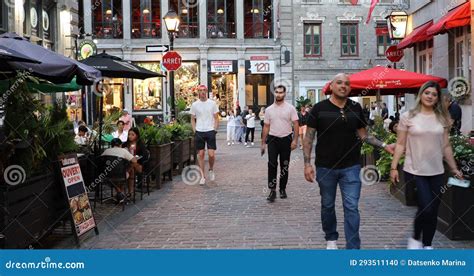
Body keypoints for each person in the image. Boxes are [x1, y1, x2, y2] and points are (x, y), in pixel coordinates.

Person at [303, 73, 394, 250]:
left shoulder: (355, 108)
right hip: (325, 166)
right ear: (331, 86)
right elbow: (308, 138)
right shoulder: (319, 108)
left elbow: (364, 135)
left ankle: (353, 248)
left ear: (350, 88)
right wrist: (307, 163)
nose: (343, 86)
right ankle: (331, 238)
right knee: (327, 205)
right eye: (339, 83)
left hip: (351, 166)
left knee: (351, 206)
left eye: (346, 84)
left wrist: (384, 145)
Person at [390, 81, 463, 250]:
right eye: (427, 93)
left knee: (433, 209)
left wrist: (454, 169)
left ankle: (427, 245)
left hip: (437, 170)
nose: (430, 96)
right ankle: (416, 238)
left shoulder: (442, 118)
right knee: (426, 207)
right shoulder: (408, 116)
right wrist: (394, 167)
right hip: (414, 169)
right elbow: (400, 144)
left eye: (434, 94)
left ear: (438, 98)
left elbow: (446, 146)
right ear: (421, 95)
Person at [261, 85, 299, 202]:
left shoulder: (290, 108)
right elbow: (266, 126)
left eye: (281, 92)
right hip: (272, 139)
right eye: (277, 92)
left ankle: (282, 188)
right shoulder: (269, 110)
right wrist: (263, 142)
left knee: (285, 165)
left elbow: (296, 124)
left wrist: (295, 140)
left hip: (286, 139)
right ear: (274, 93)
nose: (279, 94)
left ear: (284, 94)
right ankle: (272, 190)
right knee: (272, 164)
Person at [190, 85, 219, 185]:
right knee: (201, 154)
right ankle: (202, 176)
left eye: (204, 90)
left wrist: (215, 129)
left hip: (210, 130)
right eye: (200, 90)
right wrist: (194, 130)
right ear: (198, 92)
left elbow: (216, 117)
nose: (202, 92)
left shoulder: (212, 103)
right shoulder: (195, 105)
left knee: (211, 154)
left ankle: (211, 169)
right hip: (199, 131)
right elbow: (192, 118)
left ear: (206, 91)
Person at [102, 138, 139, 203]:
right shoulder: (123, 151)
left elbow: (101, 160)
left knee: (117, 175)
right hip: (121, 175)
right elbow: (134, 160)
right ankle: (122, 194)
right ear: (120, 145)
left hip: (107, 175)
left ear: (111, 145)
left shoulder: (106, 151)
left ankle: (119, 194)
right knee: (129, 170)